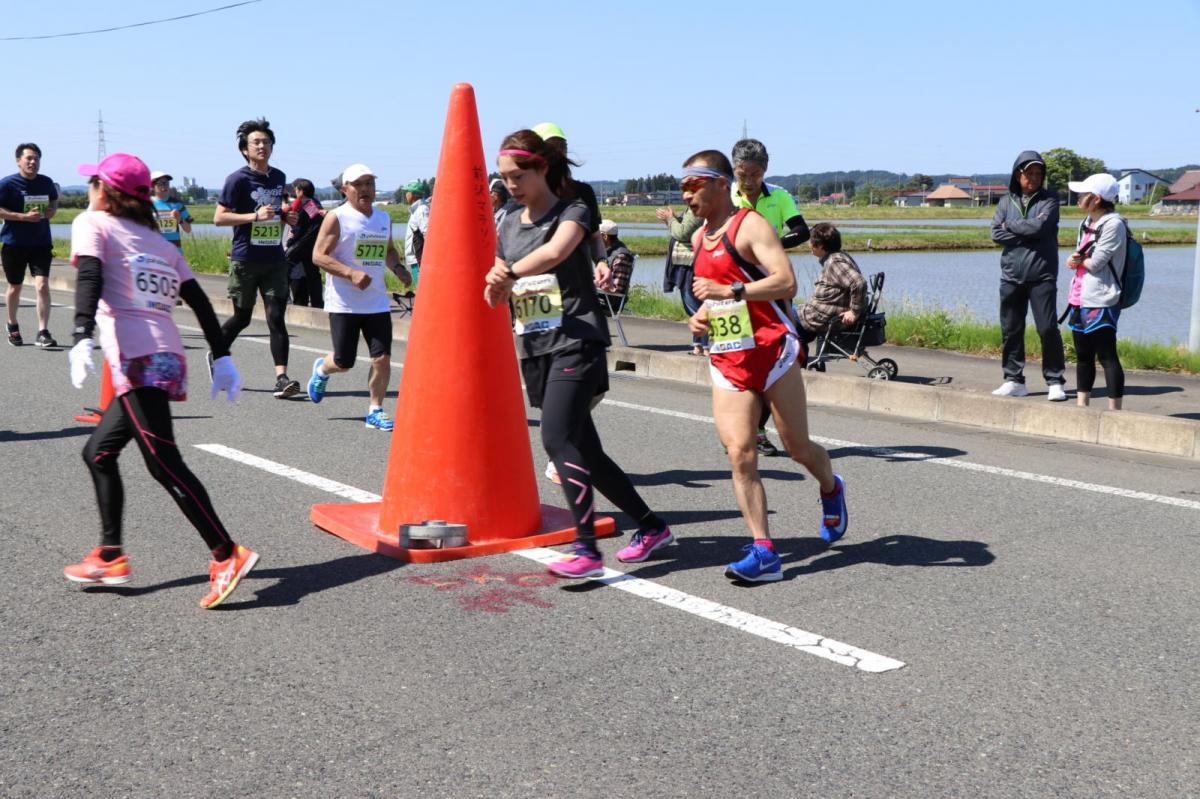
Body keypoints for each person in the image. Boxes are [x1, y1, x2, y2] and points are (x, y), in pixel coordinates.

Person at [62, 152, 258, 609]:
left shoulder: (94, 223)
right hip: (166, 354)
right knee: (98, 452)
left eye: (93, 182)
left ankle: (226, 553)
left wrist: (78, 335)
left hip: (137, 357)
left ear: (105, 191)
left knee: (162, 462)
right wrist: (222, 355)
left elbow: (89, 277)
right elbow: (201, 303)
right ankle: (110, 554)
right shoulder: (159, 242)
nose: (90, 189)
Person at [485, 129, 670, 579]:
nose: (511, 184)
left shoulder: (574, 208)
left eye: (519, 174)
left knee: (554, 438)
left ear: (543, 167)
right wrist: (494, 286)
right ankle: (651, 526)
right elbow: (496, 295)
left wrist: (507, 272)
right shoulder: (507, 221)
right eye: (504, 177)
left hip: (577, 339)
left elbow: (556, 251)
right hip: (534, 346)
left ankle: (586, 547)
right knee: (585, 450)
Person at [683, 149, 846, 582]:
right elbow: (709, 296)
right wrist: (700, 314)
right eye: (682, 186)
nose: (685, 195)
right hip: (728, 355)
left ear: (720, 184)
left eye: (693, 185)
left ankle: (830, 486)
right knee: (740, 452)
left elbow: (786, 281)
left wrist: (731, 291)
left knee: (797, 449)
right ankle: (764, 551)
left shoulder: (749, 225)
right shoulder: (700, 238)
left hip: (772, 351)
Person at [307, 164, 410, 430]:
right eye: (358, 184)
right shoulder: (337, 217)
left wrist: (398, 268)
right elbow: (318, 256)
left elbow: (388, 251)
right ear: (345, 189)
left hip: (376, 301)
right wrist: (350, 273)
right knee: (343, 362)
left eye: (369, 184)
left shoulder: (383, 219)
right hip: (344, 303)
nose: (365, 189)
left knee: (382, 358)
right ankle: (322, 369)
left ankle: (375, 410)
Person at [730, 138, 811, 455]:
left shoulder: (779, 197)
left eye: (755, 174)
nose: (748, 182)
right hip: (732, 292)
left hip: (772, 291)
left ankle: (758, 430)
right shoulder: (726, 195)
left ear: (765, 171)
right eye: (741, 174)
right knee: (737, 358)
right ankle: (740, 428)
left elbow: (802, 230)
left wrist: (772, 244)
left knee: (778, 358)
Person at [213, 118, 301, 398]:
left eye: (266, 142)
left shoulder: (278, 177)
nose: (262, 146)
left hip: (274, 258)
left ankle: (281, 378)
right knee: (242, 318)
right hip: (245, 259)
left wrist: (285, 216)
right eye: (256, 142)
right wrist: (254, 216)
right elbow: (219, 218)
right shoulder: (237, 179)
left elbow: (274, 212)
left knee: (277, 317)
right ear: (244, 149)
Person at [990, 150, 1067, 401]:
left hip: (1041, 275)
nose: (1034, 177)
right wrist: (1029, 231)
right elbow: (995, 234)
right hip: (1011, 274)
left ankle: (1055, 380)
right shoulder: (1005, 202)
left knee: (1047, 328)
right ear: (1017, 175)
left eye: (1038, 173)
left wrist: (1011, 226)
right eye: (1029, 173)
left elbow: (1042, 226)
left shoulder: (1050, 200)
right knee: (1011, 329)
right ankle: (1014, 379)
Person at [1063, 174, 1126, 410]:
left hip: (1102, 299)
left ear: (1097, 199)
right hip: (1079, 297)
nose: (1078, 197)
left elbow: (1095, 263)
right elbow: (1079, 258)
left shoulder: (1114, 224)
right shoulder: (1086, 223)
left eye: (1083, 194)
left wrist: (1078, 260)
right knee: (1082, 356)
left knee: (1107, 356)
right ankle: (1082, 407)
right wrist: (1074, 260)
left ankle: (1114, 412)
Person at [530, 123, 614, 290]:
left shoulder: (583, 193)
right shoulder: (525, 197)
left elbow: (595, 237)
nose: (558, 152)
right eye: (550, 147)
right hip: (533, 292)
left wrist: (602, 262)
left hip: (578, 293)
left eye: (562, 146)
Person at [1, 142, 59, 347]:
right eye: (29, 158)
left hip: (41, 242)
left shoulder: (46, 182)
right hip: (14, 243)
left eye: (36, 158)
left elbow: (53, 201)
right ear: (18, 161)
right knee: (15, 287)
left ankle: (43, 331)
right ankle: (12, 324)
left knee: (42, 284)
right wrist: (22, 217)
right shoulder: (7, 184)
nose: (33, 162)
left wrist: (52, 210)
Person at [796, 223, 866, 341]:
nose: (809, 245)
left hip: (821, 317)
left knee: (780, 312)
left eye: (811, 242)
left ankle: (793, 352)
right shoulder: (839, 256)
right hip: (822, 315)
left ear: (820, 246)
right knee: (788, 309)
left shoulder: (834, 262)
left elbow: (859, 282)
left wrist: (854, 312)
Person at [657, 205, 706, 354]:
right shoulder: (693, 208)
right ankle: (698, 346)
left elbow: (682, 233)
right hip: (686, 264)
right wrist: (672, 219)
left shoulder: (698, 209)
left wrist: (670, 219)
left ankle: (707, 346)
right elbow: (684, 227)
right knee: (693, 307)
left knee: (695, 308)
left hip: (690, 264)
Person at [284, 178, 326, 307]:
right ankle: (318, 303)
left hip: (302, 243)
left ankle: (281, 298)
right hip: (314, 244)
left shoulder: (306, 203)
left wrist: (291, 240)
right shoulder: (314, 203)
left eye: (296, 189)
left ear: (300, 191)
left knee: (283, 267)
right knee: (313, 274)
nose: (295, 192)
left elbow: (300, 226)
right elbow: (315, 222)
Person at [149, 171, 192, 249]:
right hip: (155, 252)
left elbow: (188, 229)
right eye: (160, 183)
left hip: (175, 252)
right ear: (152, 186)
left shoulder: (178, 204)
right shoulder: (147, 204)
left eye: (166, 183)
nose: (164, 186)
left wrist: (180, 219)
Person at [403, 180, 431, 290]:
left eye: (407, 192)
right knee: (419, 289)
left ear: (413, 194)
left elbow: (427, 232)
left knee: (422, 291)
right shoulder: (417, 209)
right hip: (415, 258)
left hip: (419, 259)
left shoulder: (421, 210)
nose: (406, 194)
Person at [597, 219, 634, 296]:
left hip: (610, 300)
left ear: (605, 236)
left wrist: (590, 285)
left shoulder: (621, 256)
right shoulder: (609, 251)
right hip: (602, 295)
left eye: (596, 236)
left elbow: (616, 289)